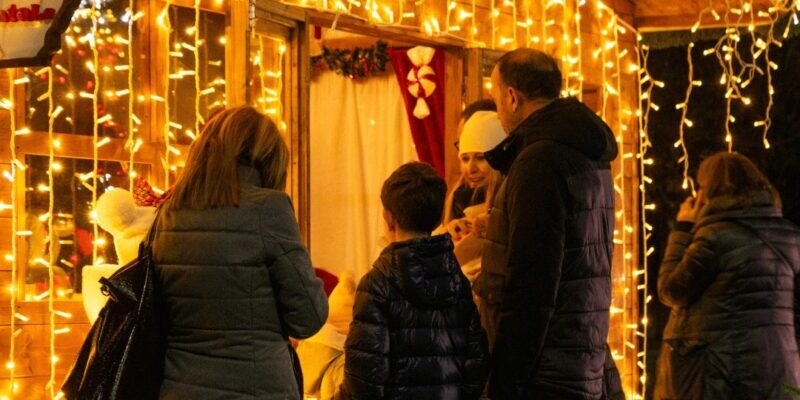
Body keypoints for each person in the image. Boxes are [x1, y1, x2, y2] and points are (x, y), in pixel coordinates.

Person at [474, 48, 624, 399]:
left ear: (512, 96)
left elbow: (532, 280)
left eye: (495, 98)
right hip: (579, 350)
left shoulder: (539, 161)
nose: (497, 110)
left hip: (544, 368)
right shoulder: (586, 154)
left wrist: (505, 380)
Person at [152, 106, 329, 399]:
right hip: (258, 388)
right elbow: (308, 318)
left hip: (179, 387)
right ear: (268, 158)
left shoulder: (167, 215)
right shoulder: (269, 208)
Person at [654, 152, 800, 400]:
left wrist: (681, 229)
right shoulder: (790, 237)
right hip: (778, 366)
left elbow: (670, 291)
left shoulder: (715, 237)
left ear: (710, 190)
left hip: (722, 372)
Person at [337, 162, 489, 399]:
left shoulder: (377, 284)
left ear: (388, 218)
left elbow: (363, 381)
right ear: (438, 218)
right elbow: (476, 365)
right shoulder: (457, 279)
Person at [442, 102, 506, 282]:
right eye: (464, 157)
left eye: (480, 157)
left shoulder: (508, 200)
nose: (471, 168)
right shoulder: (456, 196)